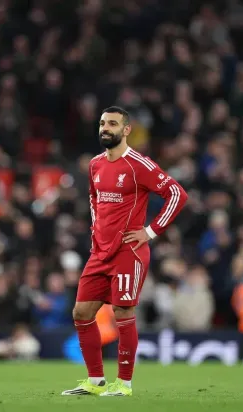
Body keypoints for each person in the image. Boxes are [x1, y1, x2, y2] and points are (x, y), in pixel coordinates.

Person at [61, 107, 188, 397]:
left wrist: (150, 232)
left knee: (123, 311)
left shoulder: (138, 164)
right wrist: (96, 234)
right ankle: (95, 381)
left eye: (112, 123)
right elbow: (94, 200)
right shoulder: (95, 164)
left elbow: (177, 194)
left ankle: (124, 384)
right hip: (99, 252)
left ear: (126, 130)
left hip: (128, 251)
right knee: (81, 312)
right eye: (102, 123)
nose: (105, 128)